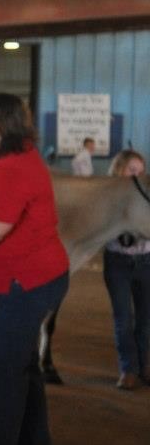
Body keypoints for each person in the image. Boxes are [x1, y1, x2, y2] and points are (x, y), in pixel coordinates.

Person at [0, 93, 69, 445]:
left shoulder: (11, 167)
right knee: (23, 368)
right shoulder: (11, 156)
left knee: (5, 376)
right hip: (34, 278)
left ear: (3, 126)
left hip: (18, 285)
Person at [101, 149, 150, 390]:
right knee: (123, 317)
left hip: (146, 260)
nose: (137, 176)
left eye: (140, 171)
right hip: (117, 262)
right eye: (132, 170)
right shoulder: (106, 197)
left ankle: (146, 365)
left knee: (146, 318)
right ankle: (128, 369)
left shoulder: (146, 195)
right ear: (119, 170)